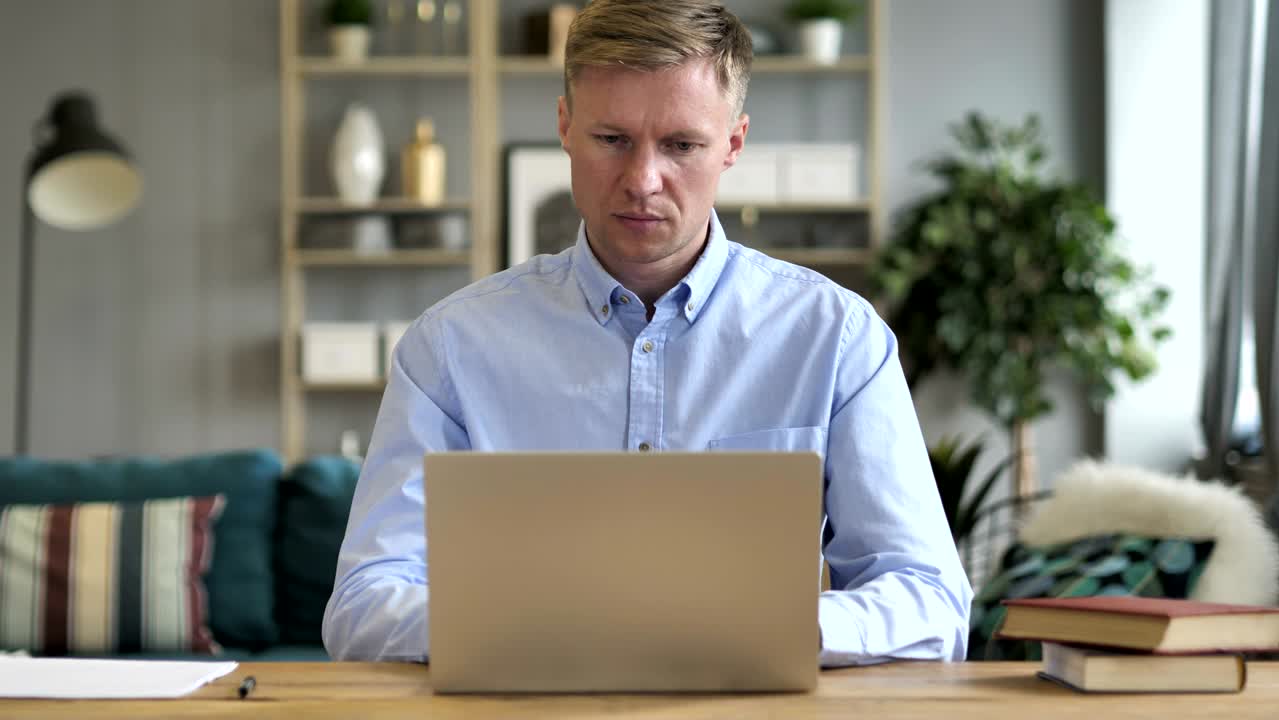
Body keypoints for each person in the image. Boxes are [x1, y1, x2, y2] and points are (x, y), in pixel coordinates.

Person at [323, 0, 972, 667]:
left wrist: (771, 627)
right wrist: (556, 627)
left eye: (681, 145)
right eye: (612, 139)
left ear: (733, 146)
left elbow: (931, 601)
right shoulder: (450, 350)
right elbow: (363, 606)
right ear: (565, 127)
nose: (642, 180)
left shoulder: (836, 339)